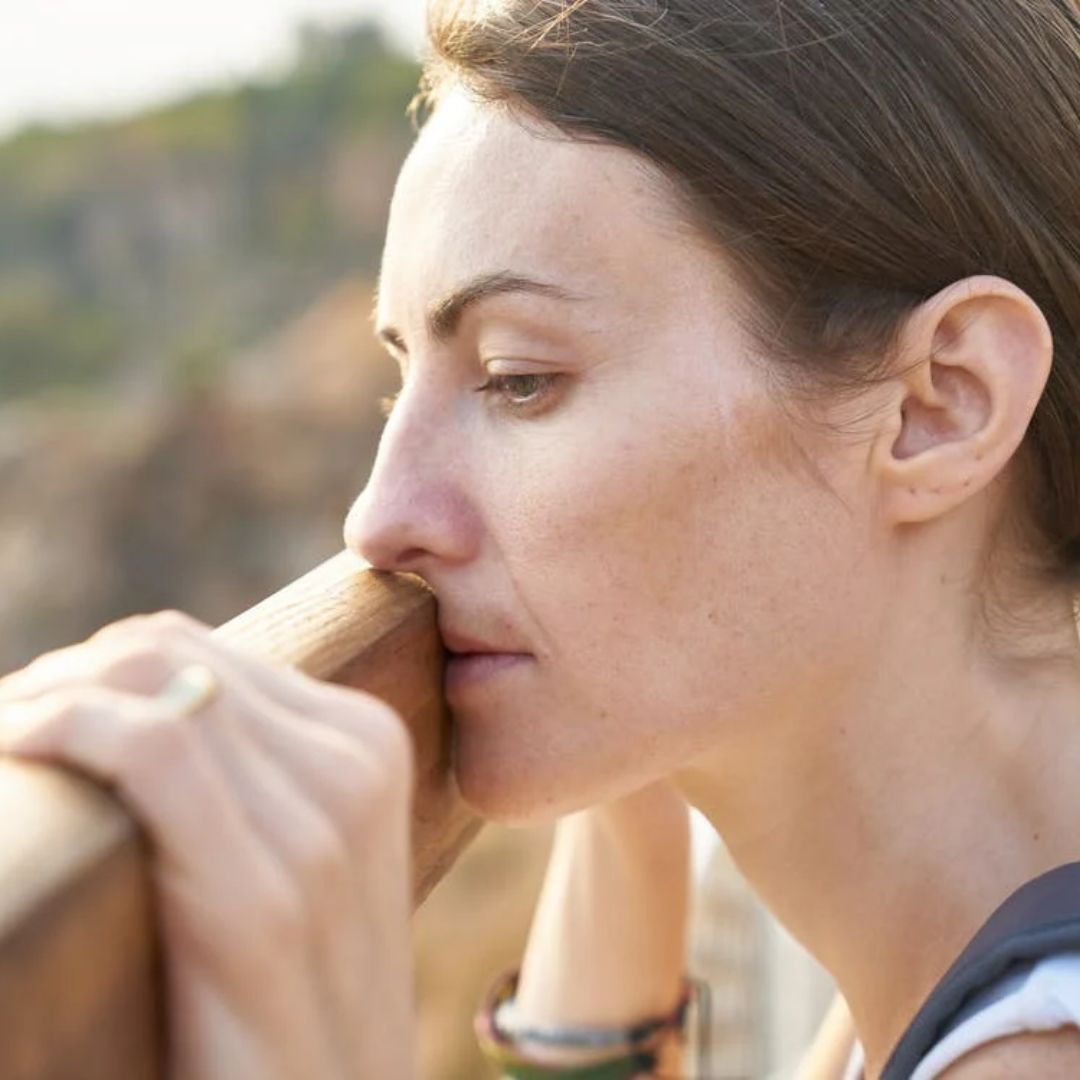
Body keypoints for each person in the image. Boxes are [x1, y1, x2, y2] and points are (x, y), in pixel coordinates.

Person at [4, 0, 1080, 1076]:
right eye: (399, 382)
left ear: (944, 401)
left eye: (519, 379)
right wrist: (624, 798)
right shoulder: (957, 959)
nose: (375, 519)